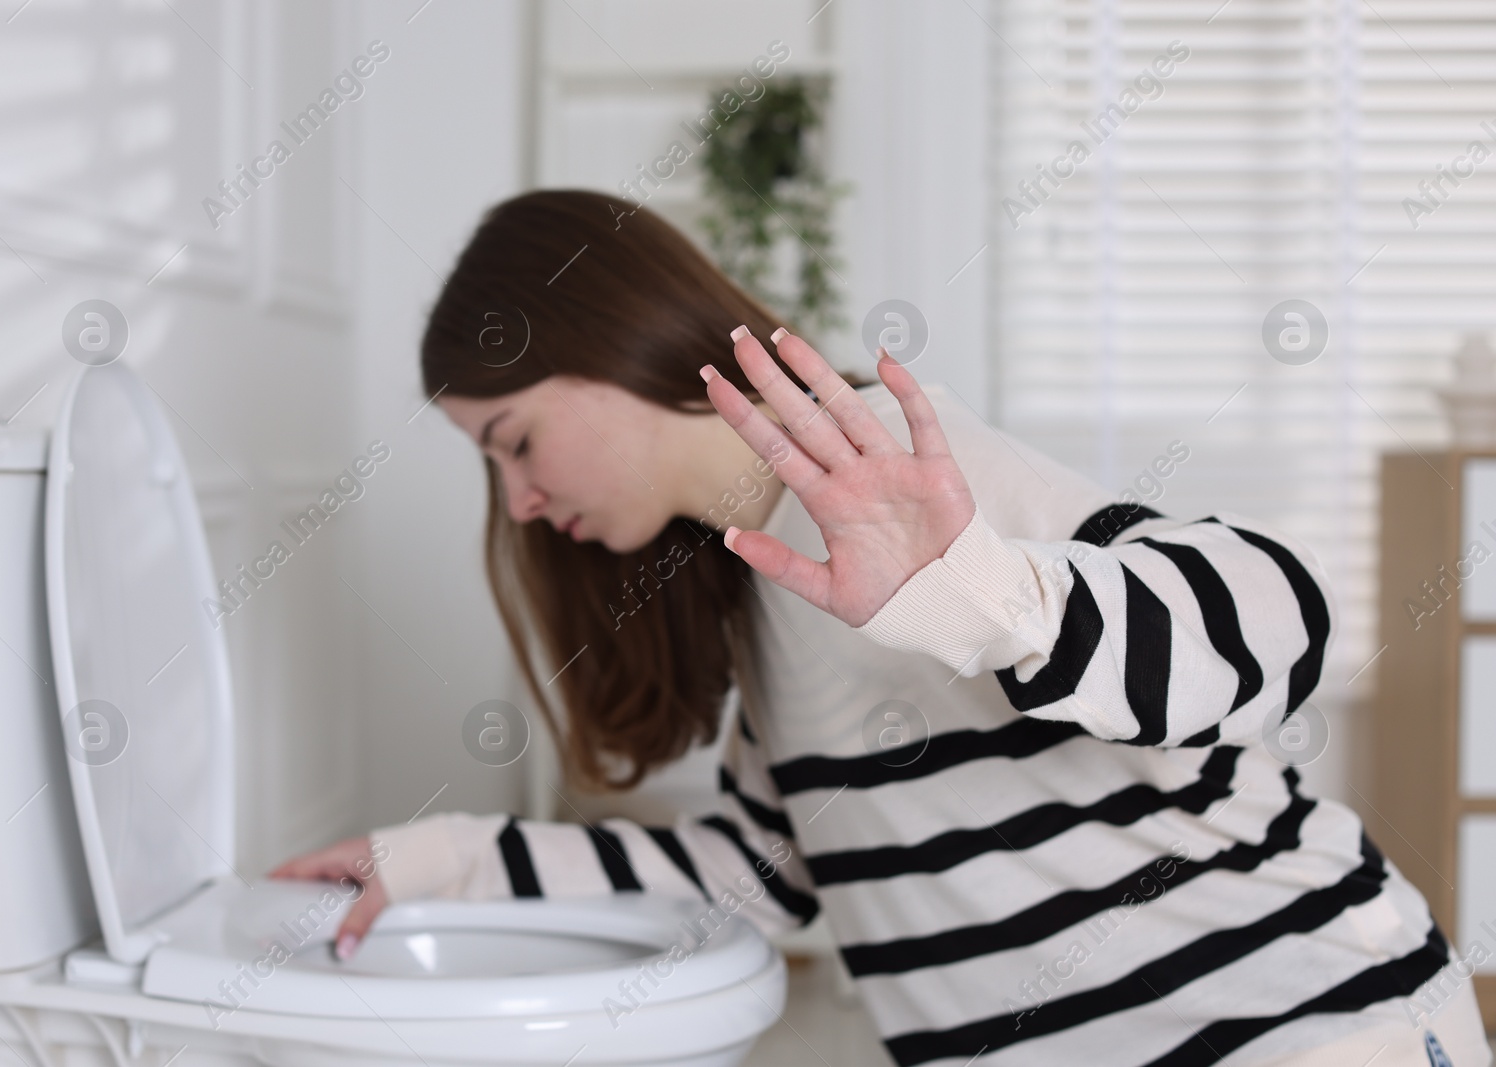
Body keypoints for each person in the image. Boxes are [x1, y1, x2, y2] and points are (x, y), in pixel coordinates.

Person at [272, 189, 1488, 1066]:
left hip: (1306, 1020)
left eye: (515, 442)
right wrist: (433, 864)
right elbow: (754, 875)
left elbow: (1279, 619)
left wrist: (984, 597)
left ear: (610, 343)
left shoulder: (890, 469)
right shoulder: (760, 586)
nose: (521, 501)